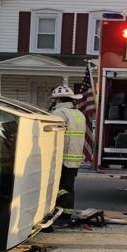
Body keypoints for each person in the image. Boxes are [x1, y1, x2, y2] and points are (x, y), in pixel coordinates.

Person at [48, 85, 87, 230]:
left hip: (61, 158)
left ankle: (59, 215)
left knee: (59, 188)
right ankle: (66, 216)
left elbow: (53, 136)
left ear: (58, 99)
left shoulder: (59, 113)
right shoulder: (79, 114)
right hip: (74, 159)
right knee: (69, 187)